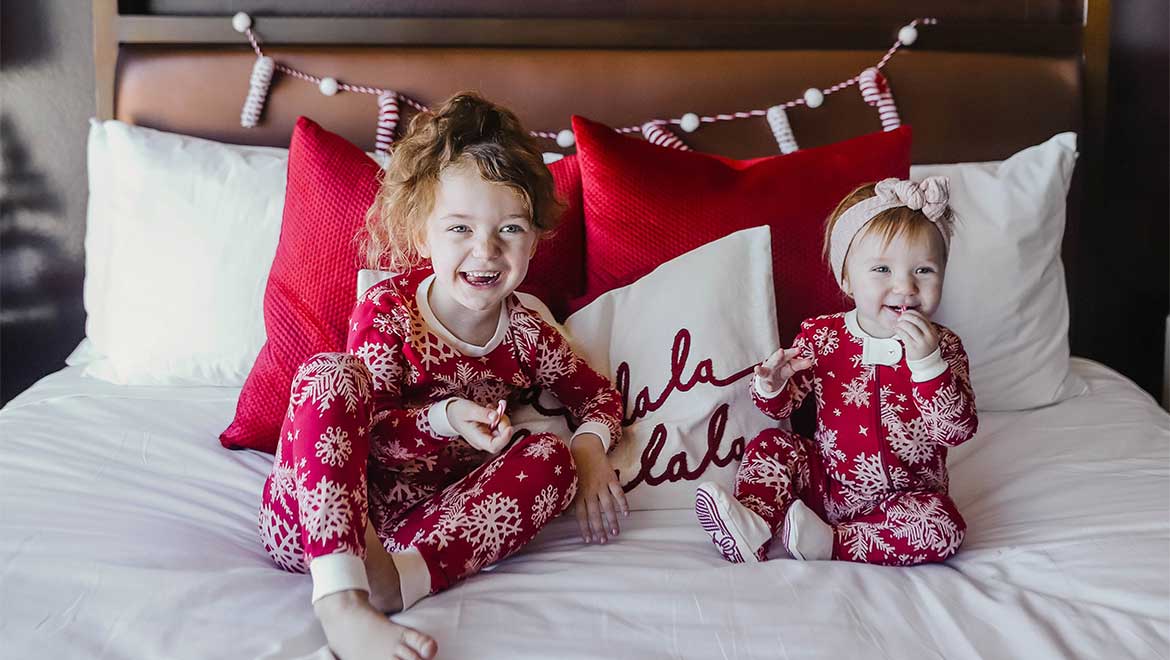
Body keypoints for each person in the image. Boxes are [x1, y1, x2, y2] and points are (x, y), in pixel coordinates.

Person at [259, 92, 627, 660]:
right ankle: (341, 603)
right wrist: (448, 418)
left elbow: (599, 397)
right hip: (318, 517)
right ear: (422, 230)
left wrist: (587, 449)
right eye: (459, 228)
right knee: (331, 375)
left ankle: (396, 583)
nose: (486, 251)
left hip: (421, 529)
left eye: (510, 229)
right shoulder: (389, 310)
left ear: (534, 238)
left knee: (550, 460)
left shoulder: (530, 334)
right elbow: (368, 432)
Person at [695, 177, 978, 567]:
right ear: (846, 278)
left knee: (944, 526)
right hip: (828, 484)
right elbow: (782, 406)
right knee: (770, 444)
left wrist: (928, 366)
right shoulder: (823, 335)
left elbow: (956, 430)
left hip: (907, 500)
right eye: (882, 268)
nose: (905, 286)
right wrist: (772, 385)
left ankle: (831, 543)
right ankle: (754, 524)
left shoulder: (943, 347)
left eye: (924, 270)